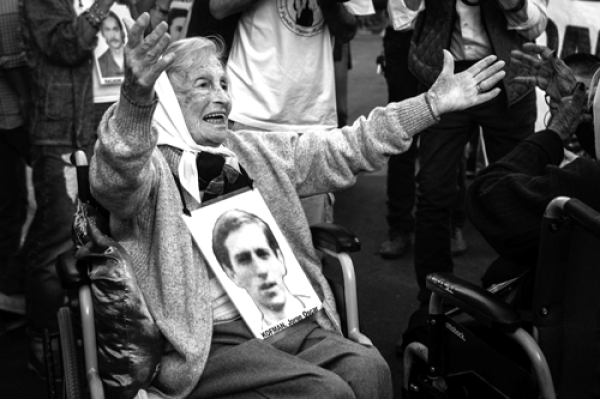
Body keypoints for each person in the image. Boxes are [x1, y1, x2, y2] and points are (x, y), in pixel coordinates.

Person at [92, 13, 505, 399]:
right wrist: (133, 102)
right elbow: (114, 180)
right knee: (328, 393)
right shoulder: (148, 171)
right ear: (166, 98)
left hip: (283, 318)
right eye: (203, 85)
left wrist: (428, 107)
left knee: (371, 369)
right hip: (211, 339)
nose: (222, 97)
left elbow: (345, 147)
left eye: (223, 84)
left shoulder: (251, 151)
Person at [390, 0, 548, 304]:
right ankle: (432, 307)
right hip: (444, 76)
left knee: (521, 192)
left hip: (509, 75)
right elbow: (401, 17)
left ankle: (518, 300)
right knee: (433, 191)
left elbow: (536, 25)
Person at [211, 0, 374, 226]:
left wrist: (330, 5)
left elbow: (348, 29)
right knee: (244, 233)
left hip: (312, 120)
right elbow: (218, 7)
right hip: (250, 113)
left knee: (309, 242)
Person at [20, 0, 117, 377]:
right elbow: (67, 45)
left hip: (112, 132)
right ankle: (45, 343)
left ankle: (96, 341)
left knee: (113, 238)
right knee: (58, 238)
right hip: (64, 136)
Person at [468, 44, 600, 275]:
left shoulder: (589, 180)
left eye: (592, 98)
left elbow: (488, 196)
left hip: (572, 298)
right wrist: (583, 119)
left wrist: (557, 131)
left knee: (501, 274)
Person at [213, 209, 313, 329]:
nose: (261, 270)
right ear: (232, 275)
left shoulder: (321, 312)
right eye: (244, 260)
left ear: (280, 259)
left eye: (263, 254)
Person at [0, 0, 31, 331]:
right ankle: (10, 289)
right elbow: (11, 59)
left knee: (14, 204)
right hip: (13, 117)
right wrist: (29, 102)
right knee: (53, 202)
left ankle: (10, 291)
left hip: (10, 117)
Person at [98, 11, 126, 78]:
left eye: (115, 29)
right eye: (107, 30)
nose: (113, 35)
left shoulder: (136, 57)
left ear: (121, 31)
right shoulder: (100, 64)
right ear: (103, 34)